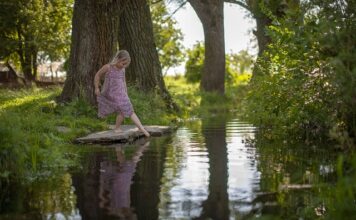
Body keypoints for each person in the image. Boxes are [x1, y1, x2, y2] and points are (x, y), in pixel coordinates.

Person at [94, 50, 150, 137]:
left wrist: (126, 94)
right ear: (118, 59)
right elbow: (97, 75)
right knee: (124, 110)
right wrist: (97, 88)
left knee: (128, 110)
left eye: (126, 64)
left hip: (121, 94)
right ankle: (126, 128)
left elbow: (123, 82)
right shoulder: (108, 67)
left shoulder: (122, 70)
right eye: (123, 63)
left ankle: (137, 128)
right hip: (111, 93)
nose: (124, 66)